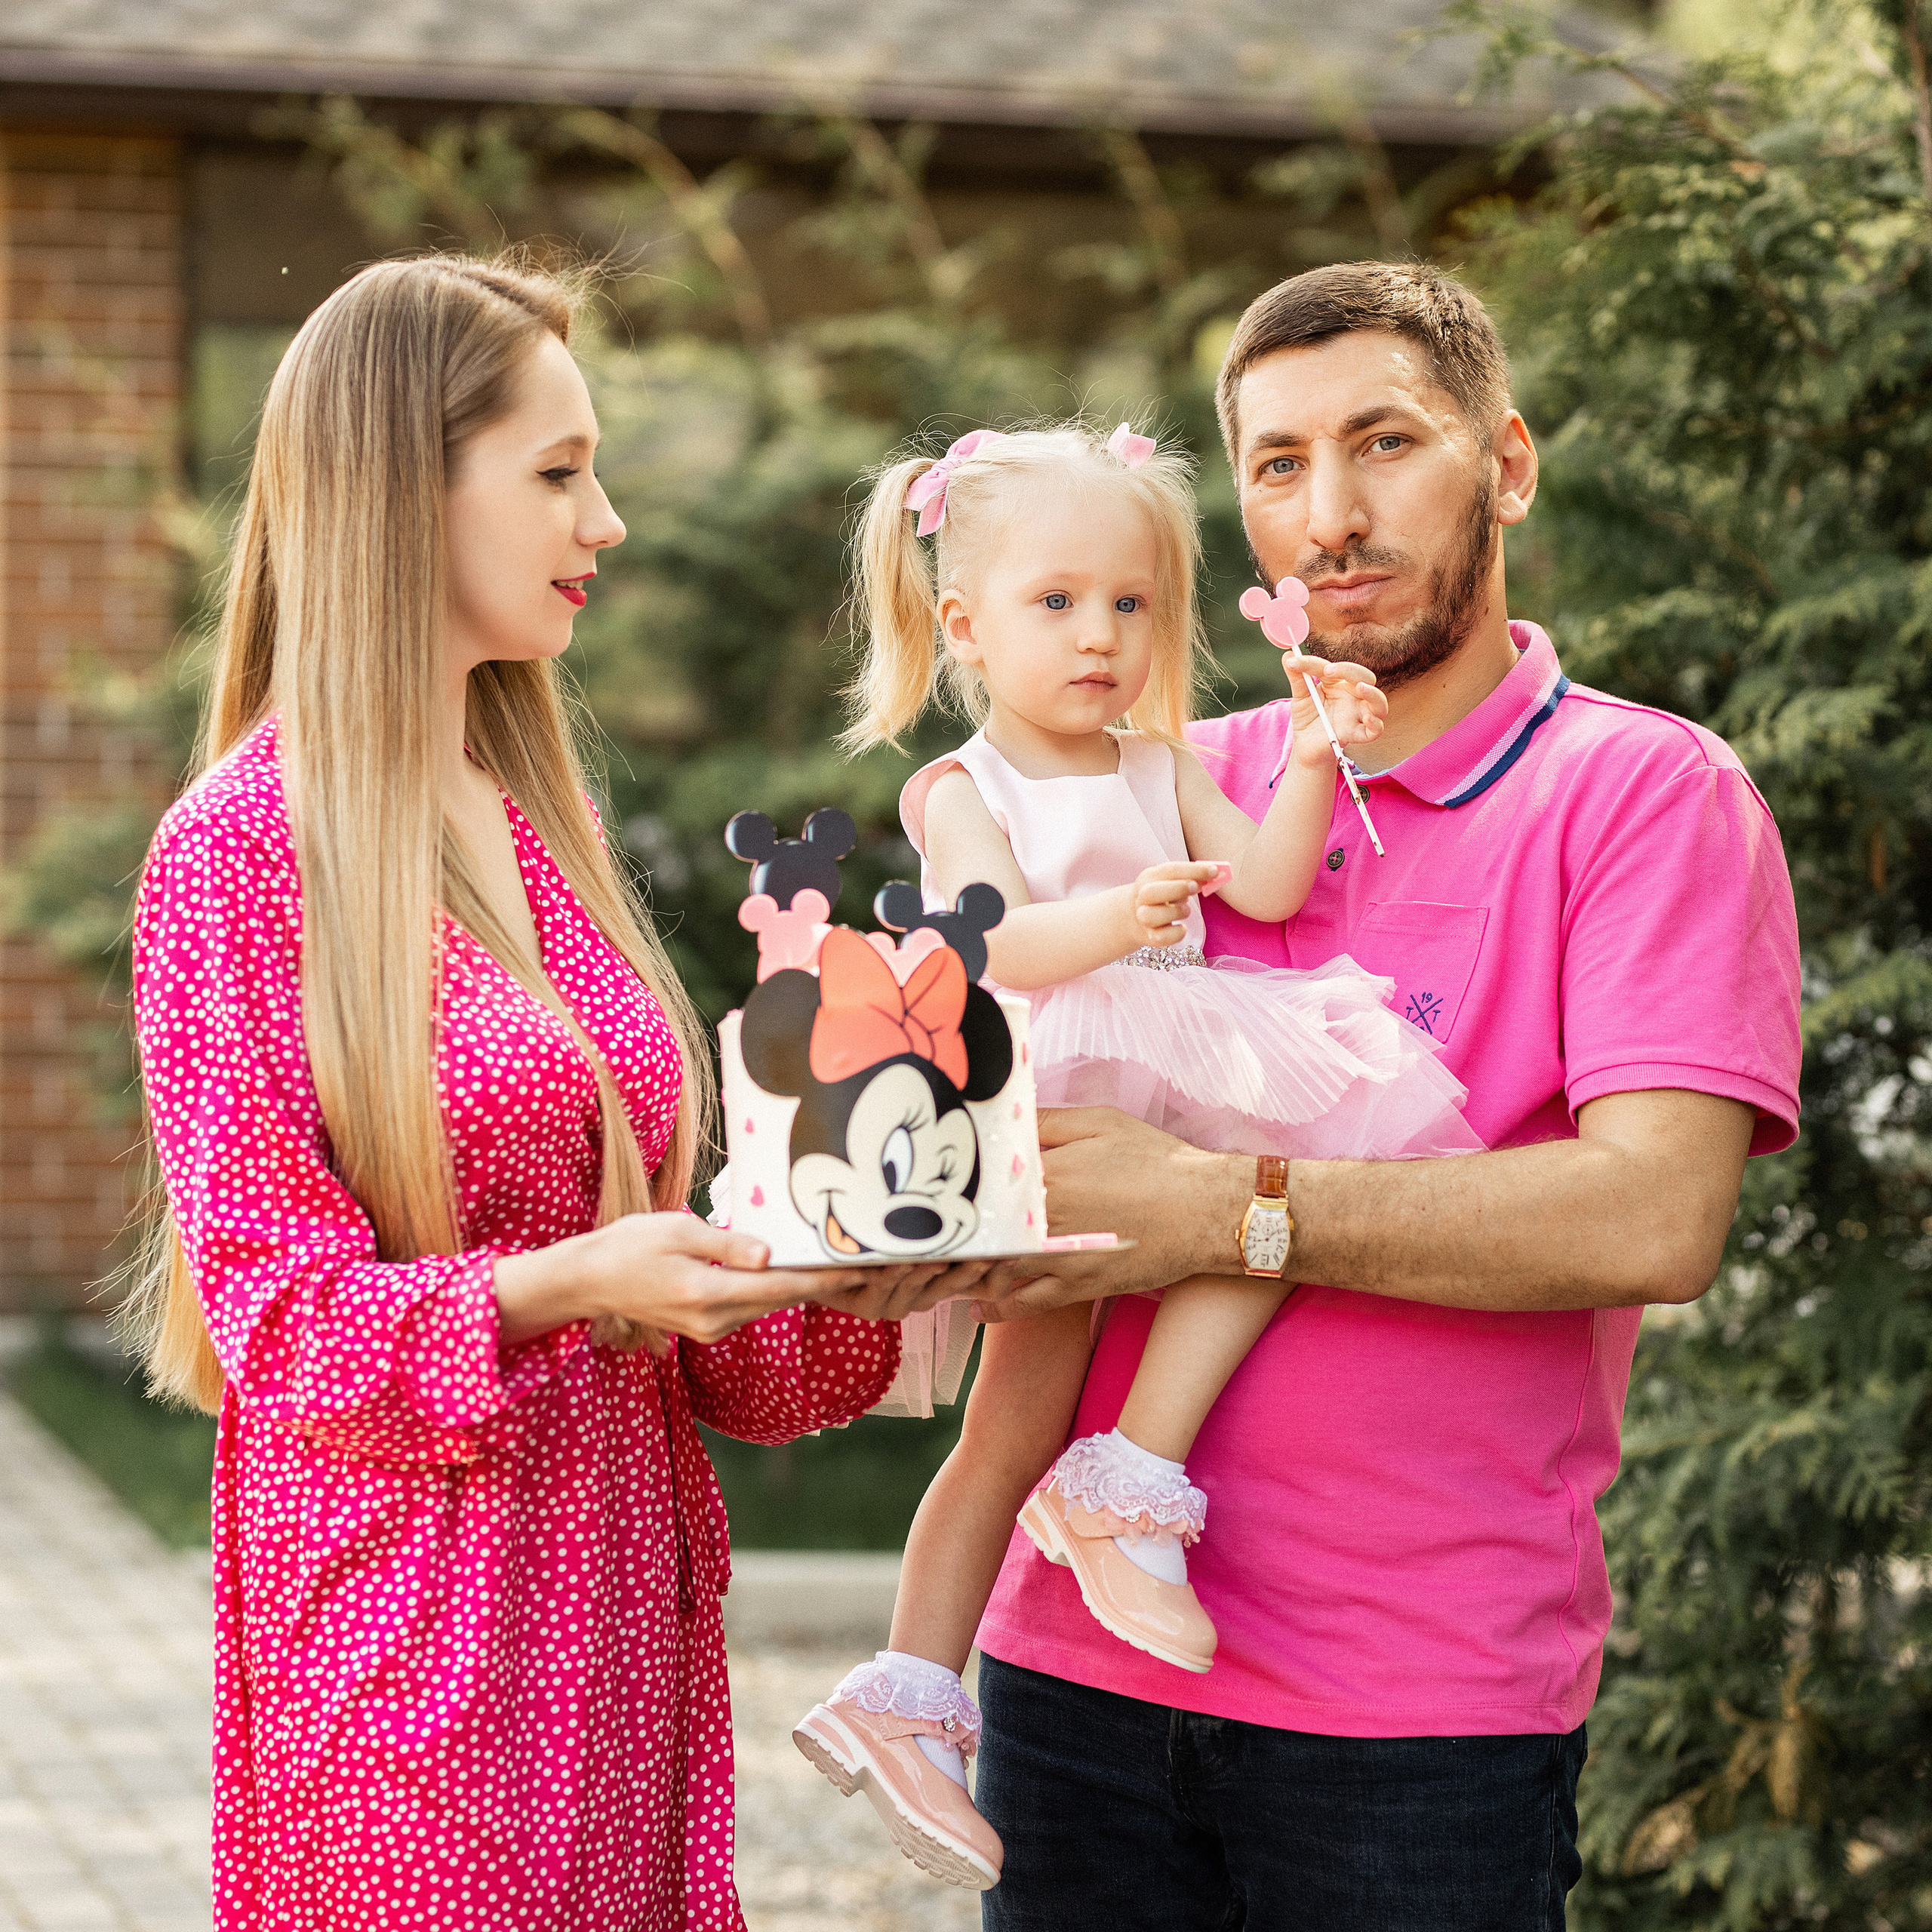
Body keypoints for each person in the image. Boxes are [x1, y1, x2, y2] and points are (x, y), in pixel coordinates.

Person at [126, 254, 975, 1932]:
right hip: (408, 1671)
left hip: (614, 1648)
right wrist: (576, 1280)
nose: (608, 522)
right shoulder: (233, 856)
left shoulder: (529, 819)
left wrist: (869, 1239)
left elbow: (674, 1306)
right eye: (558, 471)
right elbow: (282, 1326)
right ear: (399, 486)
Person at [959, 263, 1805, 1930]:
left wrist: (1229, 1203)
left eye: (1383, 443)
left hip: (1414, 1719)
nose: (1328, 514)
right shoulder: (1160, 779)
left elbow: (1652, 1208)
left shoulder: (1641, 794)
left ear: (1504, 462)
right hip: (1068, 1667)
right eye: (1275, 464)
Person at [786, 420, 1478, 1890]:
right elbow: (982, 936)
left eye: (1129, 604)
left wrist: (1305, 755)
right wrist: (1115, 919)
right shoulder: (962, 785)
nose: (1098, 636)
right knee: (1009, 1414)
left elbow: (1275, 879)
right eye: (1055, 602)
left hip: (1182, 1049)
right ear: (965, 624)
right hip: (1056, 1071)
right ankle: (909, 1686)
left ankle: (1133, 1466)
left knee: (1279, 1197)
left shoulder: (1156, 760)